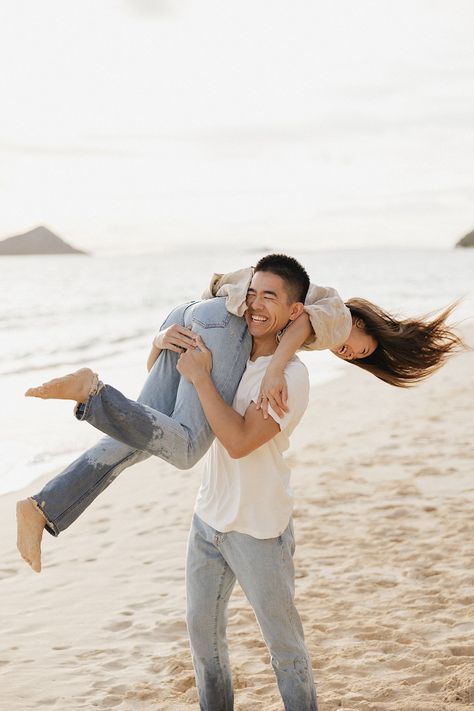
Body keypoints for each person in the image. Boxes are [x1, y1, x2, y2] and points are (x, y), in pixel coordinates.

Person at [16, 257, 463, 574]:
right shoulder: (338, 314)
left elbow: (198, 307)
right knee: (188, 445)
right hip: (219, 327)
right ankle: (93, 394)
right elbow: (305, 322)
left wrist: (158, 338)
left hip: (192, 316)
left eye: (353, 357)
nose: (347, 349)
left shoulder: (299, 308)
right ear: (365, 324)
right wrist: (273, 368)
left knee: (136, 438)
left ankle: (42, 507)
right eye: (359, 347)